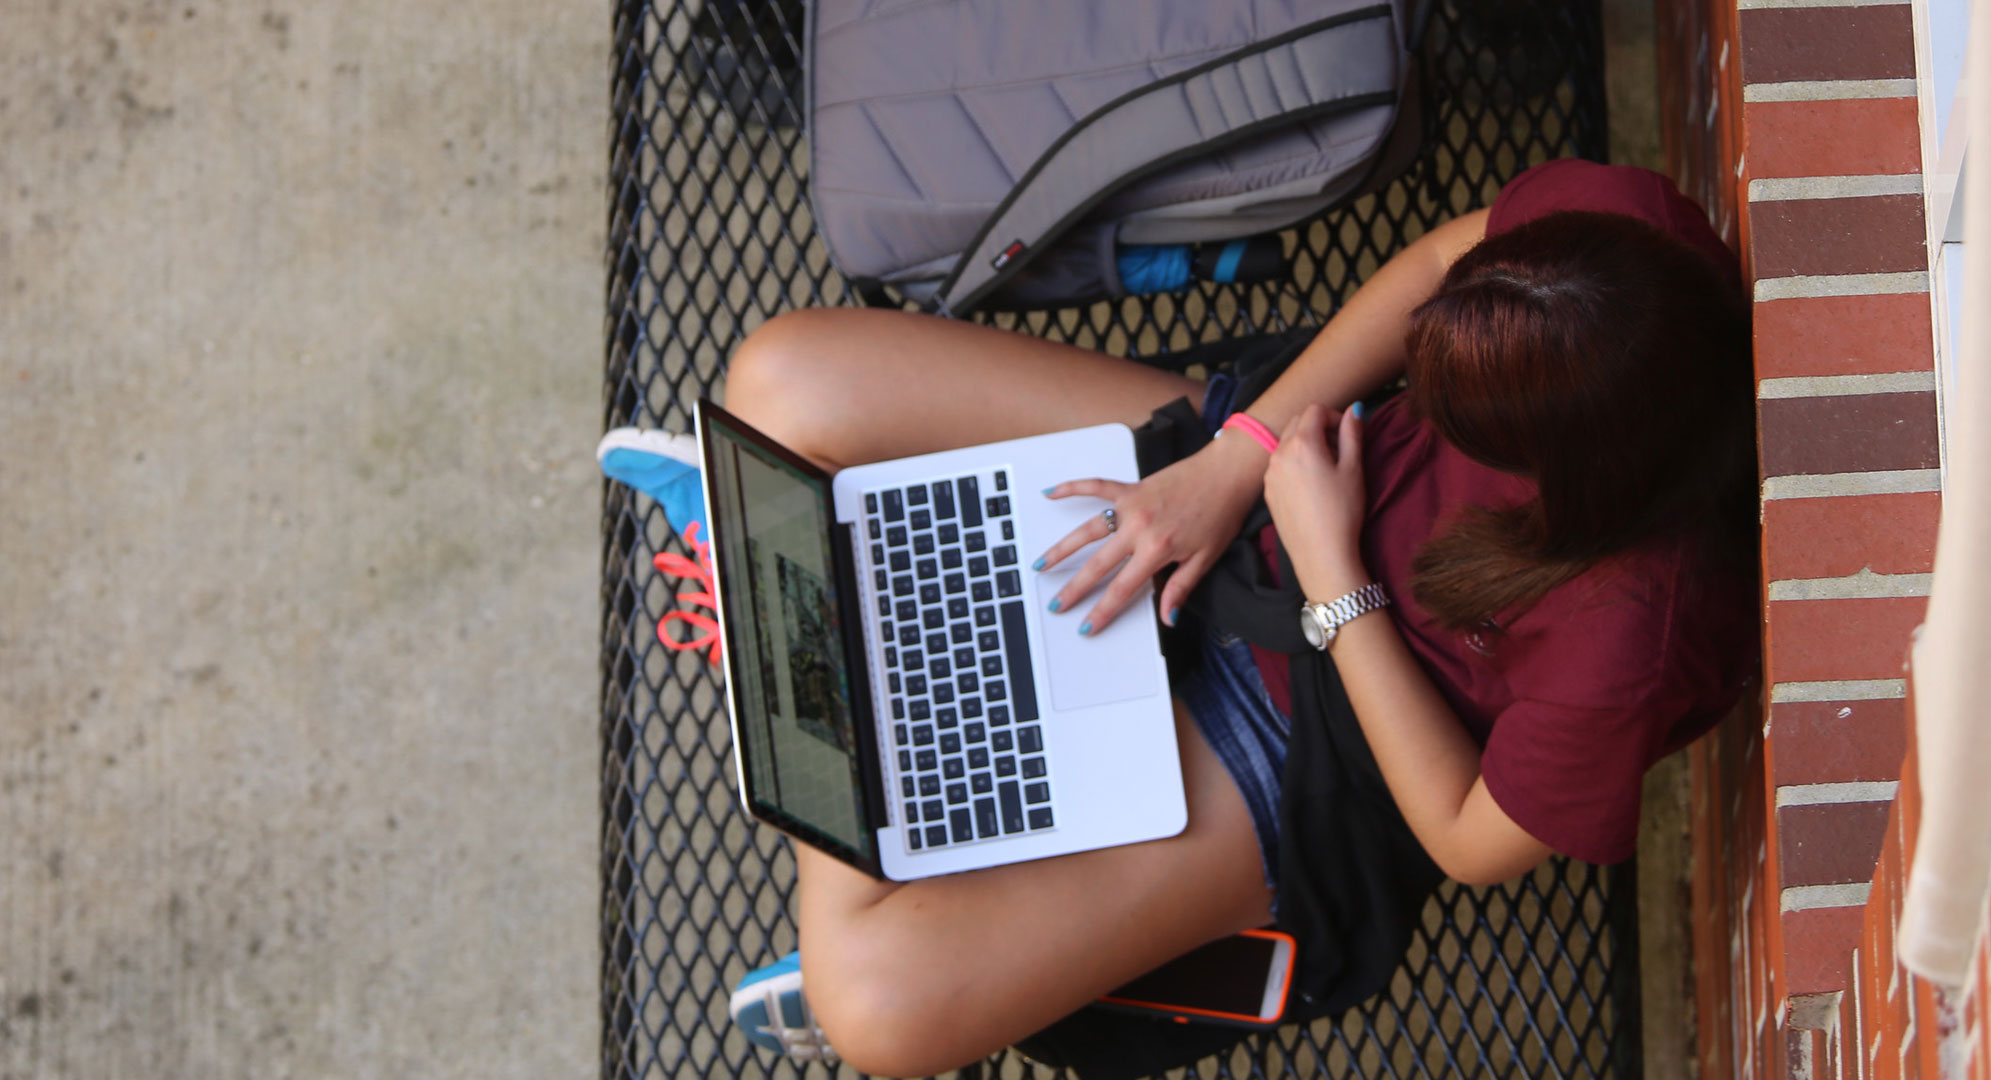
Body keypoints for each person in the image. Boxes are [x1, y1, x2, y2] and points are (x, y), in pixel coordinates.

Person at [614, 159, 1759, 1076]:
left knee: (877, 1011)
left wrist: (1330, 571)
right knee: (780, 380)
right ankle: (823, 609)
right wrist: (1244, 455)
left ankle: (811, 630)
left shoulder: (1636, 636)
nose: (1431, 415)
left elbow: (1465, 836)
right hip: (1262, 483)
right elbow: (1431, 261)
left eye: (1469, 433)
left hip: (1311, 739)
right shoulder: (1622, 246)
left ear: (1570, 484)